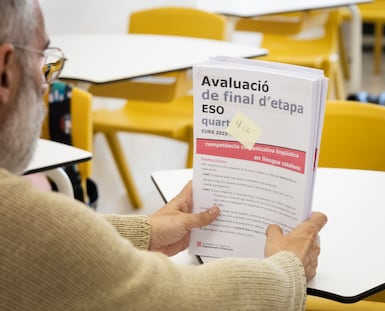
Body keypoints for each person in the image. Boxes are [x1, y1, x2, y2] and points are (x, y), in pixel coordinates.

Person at [0, 1, 327, 310]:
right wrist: (288, 269)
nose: (45, 87)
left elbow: (63, 246)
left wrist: (144, 232)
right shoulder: (26, 219)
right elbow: (176, 299)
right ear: (6, 71)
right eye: (43, 63)